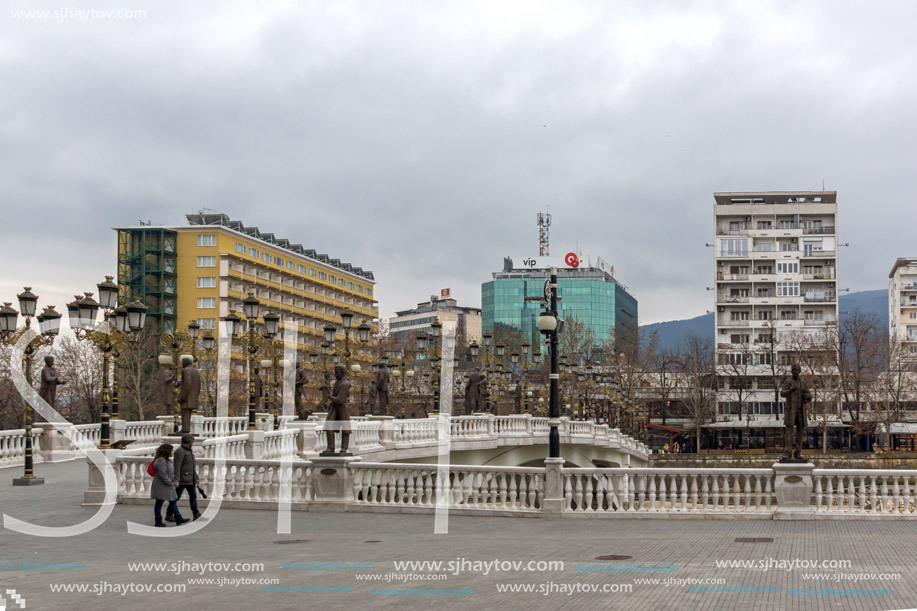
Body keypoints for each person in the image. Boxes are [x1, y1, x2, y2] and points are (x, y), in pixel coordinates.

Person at [151, 443, 189, 527]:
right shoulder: (161, 460)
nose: (173, 452)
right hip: (162, 485)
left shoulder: (166, 460)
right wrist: (169, 482)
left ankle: (178, 517)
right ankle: (159, 520)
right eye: (172, 450)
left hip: (165, 484)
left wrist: (173, 479)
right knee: (161, 502)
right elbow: (162, 473)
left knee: (172, 500)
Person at [779, 363, 812, 460]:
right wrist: (790, 390)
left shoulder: (803, 383)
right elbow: (782, 393)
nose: (794, 371)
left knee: (800, 431)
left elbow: (808, 394)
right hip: (791, 411)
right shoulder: (788, 381)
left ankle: (798, 452)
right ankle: (788, 452)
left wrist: (808, 397)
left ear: (799, 371)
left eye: (796, 370)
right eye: (793, 369)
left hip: (800, 411)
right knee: (789, 431)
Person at [166, 434, 201, 522]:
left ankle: (196, 514)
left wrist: (196, 477)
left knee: (193, 496)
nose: (193, 443)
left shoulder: (189, 451)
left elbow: (192, 466)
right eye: (192, 441)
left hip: (190, 479)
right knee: (176, 497)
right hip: (182, 479)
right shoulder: (180, 451)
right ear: (188, 442)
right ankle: (169, 514)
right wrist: (176, 479)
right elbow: (177, 466)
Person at [321, 364, 351, 455]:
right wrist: (326, 390)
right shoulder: (337, 382)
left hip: (342, 409)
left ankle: (344, 448)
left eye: (337, 372)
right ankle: (330, 447)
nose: (335, 374)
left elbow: (340, 400)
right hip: (334, 407)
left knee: (345, 429)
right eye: (335, 372)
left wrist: (330, 397)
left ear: (342, 372)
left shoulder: (345, 384)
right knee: (328, 425)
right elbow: (335, 396)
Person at [178, 356, 200, 434]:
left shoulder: (186, 370)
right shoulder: (195, 371)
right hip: (193, 397)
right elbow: (199, 385)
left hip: (187, 397)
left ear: (185, 362)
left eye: (182, 362)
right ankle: (185, 429)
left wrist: (182, 397)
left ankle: (185, 429)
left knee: (185, 413)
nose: (181, 364)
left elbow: (187, 384)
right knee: (188, 414)